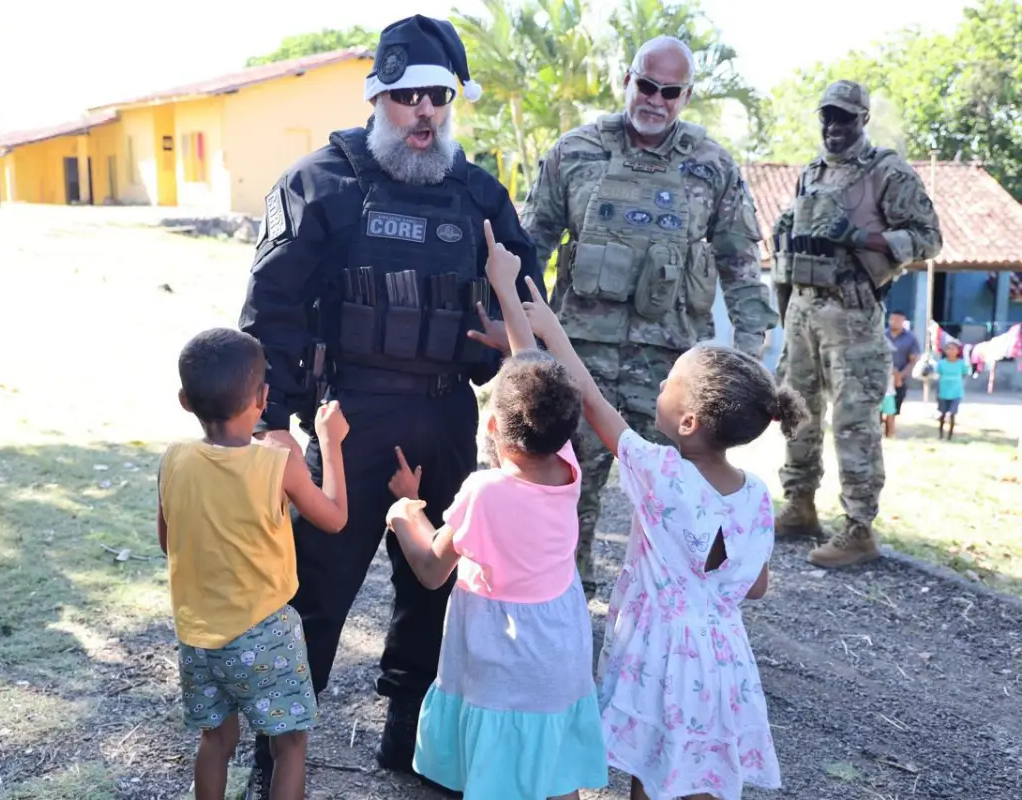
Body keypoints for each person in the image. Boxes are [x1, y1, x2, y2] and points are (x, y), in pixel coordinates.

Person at [237, 15, 544, 798]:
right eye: (406, 97)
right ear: (377, 98)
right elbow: (270, 309)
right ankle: (275, 751)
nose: (423, 113)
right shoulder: (321, 183)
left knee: (436, 591)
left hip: (446, 417)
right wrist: (276, 420)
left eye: (437, 97)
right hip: (349, 422)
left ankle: (411, 742)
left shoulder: (480, 197)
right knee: (313, 591)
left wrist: (504, 357)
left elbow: (528, 302)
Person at [519, 35, 778, 594]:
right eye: (646, 84)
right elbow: (529, 248)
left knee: (680, 515)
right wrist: (520, 341)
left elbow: (740, 261)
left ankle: (674, 638)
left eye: (670, 91)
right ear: (628, 80)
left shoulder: (713, 166)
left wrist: (750, 352)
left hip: (672, 380)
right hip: (578, 361)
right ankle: (558, 625)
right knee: (562, 497)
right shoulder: (575, 151)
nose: (655, 99)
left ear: (686, 95)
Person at [521, 279, 799, 800]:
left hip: (661, 653)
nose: (661, 387)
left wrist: (550, 329)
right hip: (724, 659)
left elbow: (593, 402)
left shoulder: (662, 473)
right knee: (704, 766)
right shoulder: (757, 494)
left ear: (690, 422)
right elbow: (755, 586)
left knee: (654, 766)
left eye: (670, 382)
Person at [383, 221, 609, 800]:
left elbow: (433, 568)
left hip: (500, 661)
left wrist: (406, 510)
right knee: (550, 765)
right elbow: (532, 368)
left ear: (491, 426)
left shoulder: (483, 492)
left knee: (495, 772)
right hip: (558, 653)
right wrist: (506, 289)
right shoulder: (568, 470)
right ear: (565, 427)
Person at [157, 328, 350, 800]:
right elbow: (336, 518)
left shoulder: (174, 459)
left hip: (198, 635)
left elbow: (168, 543)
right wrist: (332, 442)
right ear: (263, 398)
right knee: (289, 744)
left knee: (216, 741)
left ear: (185, 400)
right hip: (265, 634)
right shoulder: (277, 462)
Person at [770, 80, 942, 568]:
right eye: (827, 116)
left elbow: (929, 238)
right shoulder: (811, 174)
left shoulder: (887, 172)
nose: (834, 127)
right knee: (796, 411)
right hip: (802, 308)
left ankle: (859, 528)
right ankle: (799, 505)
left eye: (844, 117)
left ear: (862, 119)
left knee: (854, 421)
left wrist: (864, 236)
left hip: (852, 314)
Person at [884, 309, 920, 436]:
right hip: (881, 378)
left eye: (898, 320)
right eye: (892, 319)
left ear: (903, 322)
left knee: (894, 407)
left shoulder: (910, 338)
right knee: (877, 407)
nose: (895, 322)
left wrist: (900, 376)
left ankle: (890, 432)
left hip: (901, 378)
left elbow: (913, 360)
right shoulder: (882, 335)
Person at [936, 339, 970, 440]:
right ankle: (941, 434)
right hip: (943, 391)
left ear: (958, 351)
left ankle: (950, 436)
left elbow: (964, 373)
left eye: (953, 349)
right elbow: (938, 374)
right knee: (942, 413)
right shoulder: (941, 363)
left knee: (952, 414)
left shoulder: (961, 363)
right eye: (949, 349)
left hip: (956, 392)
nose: (951, 351)